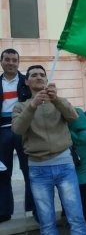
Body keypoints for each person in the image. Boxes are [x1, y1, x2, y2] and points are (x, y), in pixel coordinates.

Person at [11, 65, 86, 234]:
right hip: (38, 169)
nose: (38, 77)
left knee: (76, 218)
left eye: (41, 75)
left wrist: (57, 99)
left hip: (64, 165)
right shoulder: (20, 107)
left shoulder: (58, 101)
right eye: (34, 75)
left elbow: (74, 117)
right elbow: (17, 129)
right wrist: (33, 106)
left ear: (46, 79)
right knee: (46, 223)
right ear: (26, 81)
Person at [0, 48, 35, 222]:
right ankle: (4, 211)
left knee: (29, 169)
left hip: (22, 129)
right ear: (1, 61)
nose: (11, 63)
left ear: (18, 63)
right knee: (2, 171)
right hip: (2, 131)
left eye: (14, 60)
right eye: (7, 59)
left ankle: (33, 207)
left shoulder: (25, 82)